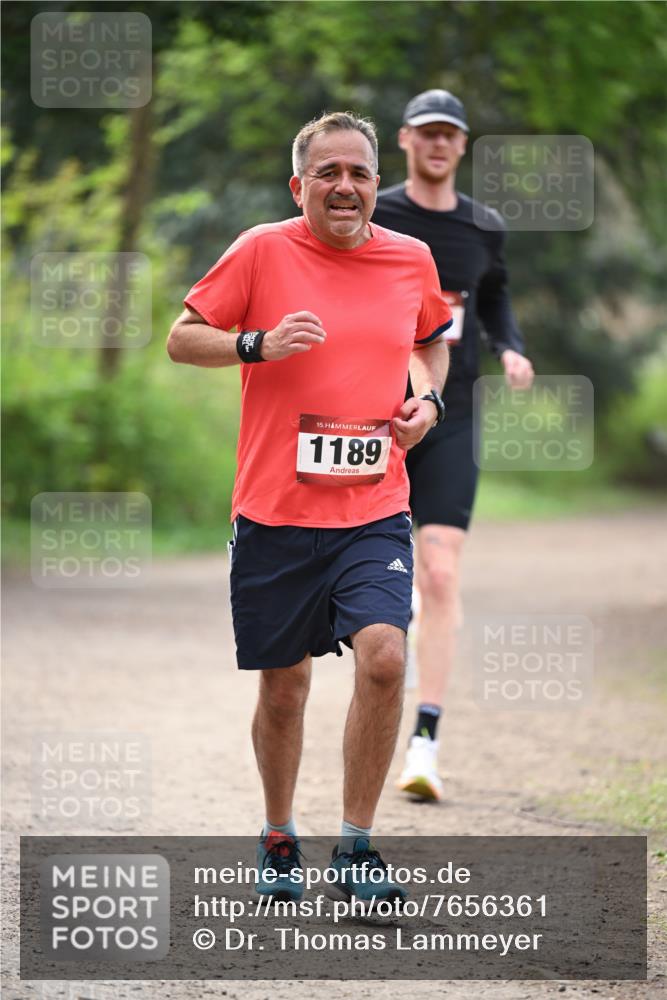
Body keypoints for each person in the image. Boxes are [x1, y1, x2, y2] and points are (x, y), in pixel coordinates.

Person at [168, 112, 451, 906]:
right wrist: (255, 344)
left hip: (373, 505)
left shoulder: (410, 259)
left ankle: (357, 848)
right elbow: (182, 338)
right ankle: (278, 831)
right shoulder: (262, 249)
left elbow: (432, 339)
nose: (345, 186)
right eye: (327, 172)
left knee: (386, 657)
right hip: (275, 514)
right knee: (284, 687)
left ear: (375, 185)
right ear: (300, 187)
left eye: (358, 172)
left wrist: (424, 400)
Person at [372, 90, 534, 802]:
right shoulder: (374, 215)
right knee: (370, 584)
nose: (438, 144)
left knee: (439, 576)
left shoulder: (483, 226)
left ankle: (424, 744)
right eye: (427, 133)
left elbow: (494, 294)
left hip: (454, 414)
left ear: (461, 147)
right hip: (370, 416)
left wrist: (510, 348)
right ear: (405, 141)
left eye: (451, 135)